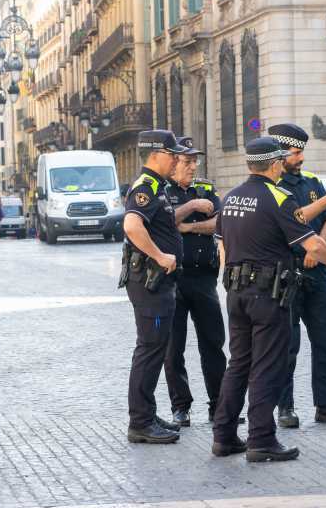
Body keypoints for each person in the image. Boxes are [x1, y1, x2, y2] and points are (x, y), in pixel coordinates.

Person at [212, 137, 326, 463]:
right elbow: (313, 245)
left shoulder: (230, 198)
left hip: (236, 293)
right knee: (268, 366)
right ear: (274, 165)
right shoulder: (279, 198)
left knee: (239, 364)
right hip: (267, 295)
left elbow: (222, 248)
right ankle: (261, 439)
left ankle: (224, 435)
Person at [269, 123, 326, 428]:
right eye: (295, 152)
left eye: (302, 151)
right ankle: (285, 407)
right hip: (287, 274)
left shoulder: (311, 182)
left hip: (316, 272)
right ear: (281, 153)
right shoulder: (272, 187)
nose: (301, 157)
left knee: (325, 342)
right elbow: (296, 218)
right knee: (287, 345)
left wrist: (316, 248)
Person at [119, 129, 188, 444]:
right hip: (150, 283)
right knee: (149, 350)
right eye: (173, 154)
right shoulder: (146, 187)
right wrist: (160, 256)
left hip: (158, 283)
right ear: (156, 154)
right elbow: (132, 225)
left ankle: (146, 413)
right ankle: (140, 423)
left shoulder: (158, 186)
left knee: (155, 349)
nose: (176, 159)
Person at [163, 136, 228, 426]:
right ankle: (181, 406)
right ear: (174, 162)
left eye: (195, 161)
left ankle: (219, 405)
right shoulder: (161, 191)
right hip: (172, 280)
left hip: (203, 277)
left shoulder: (205, 188)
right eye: (188, 161)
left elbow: (221, 222)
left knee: (213, 344)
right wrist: (192, 208)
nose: (192, 166)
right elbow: (163, 222)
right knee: (173, 348)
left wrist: (188, 226)